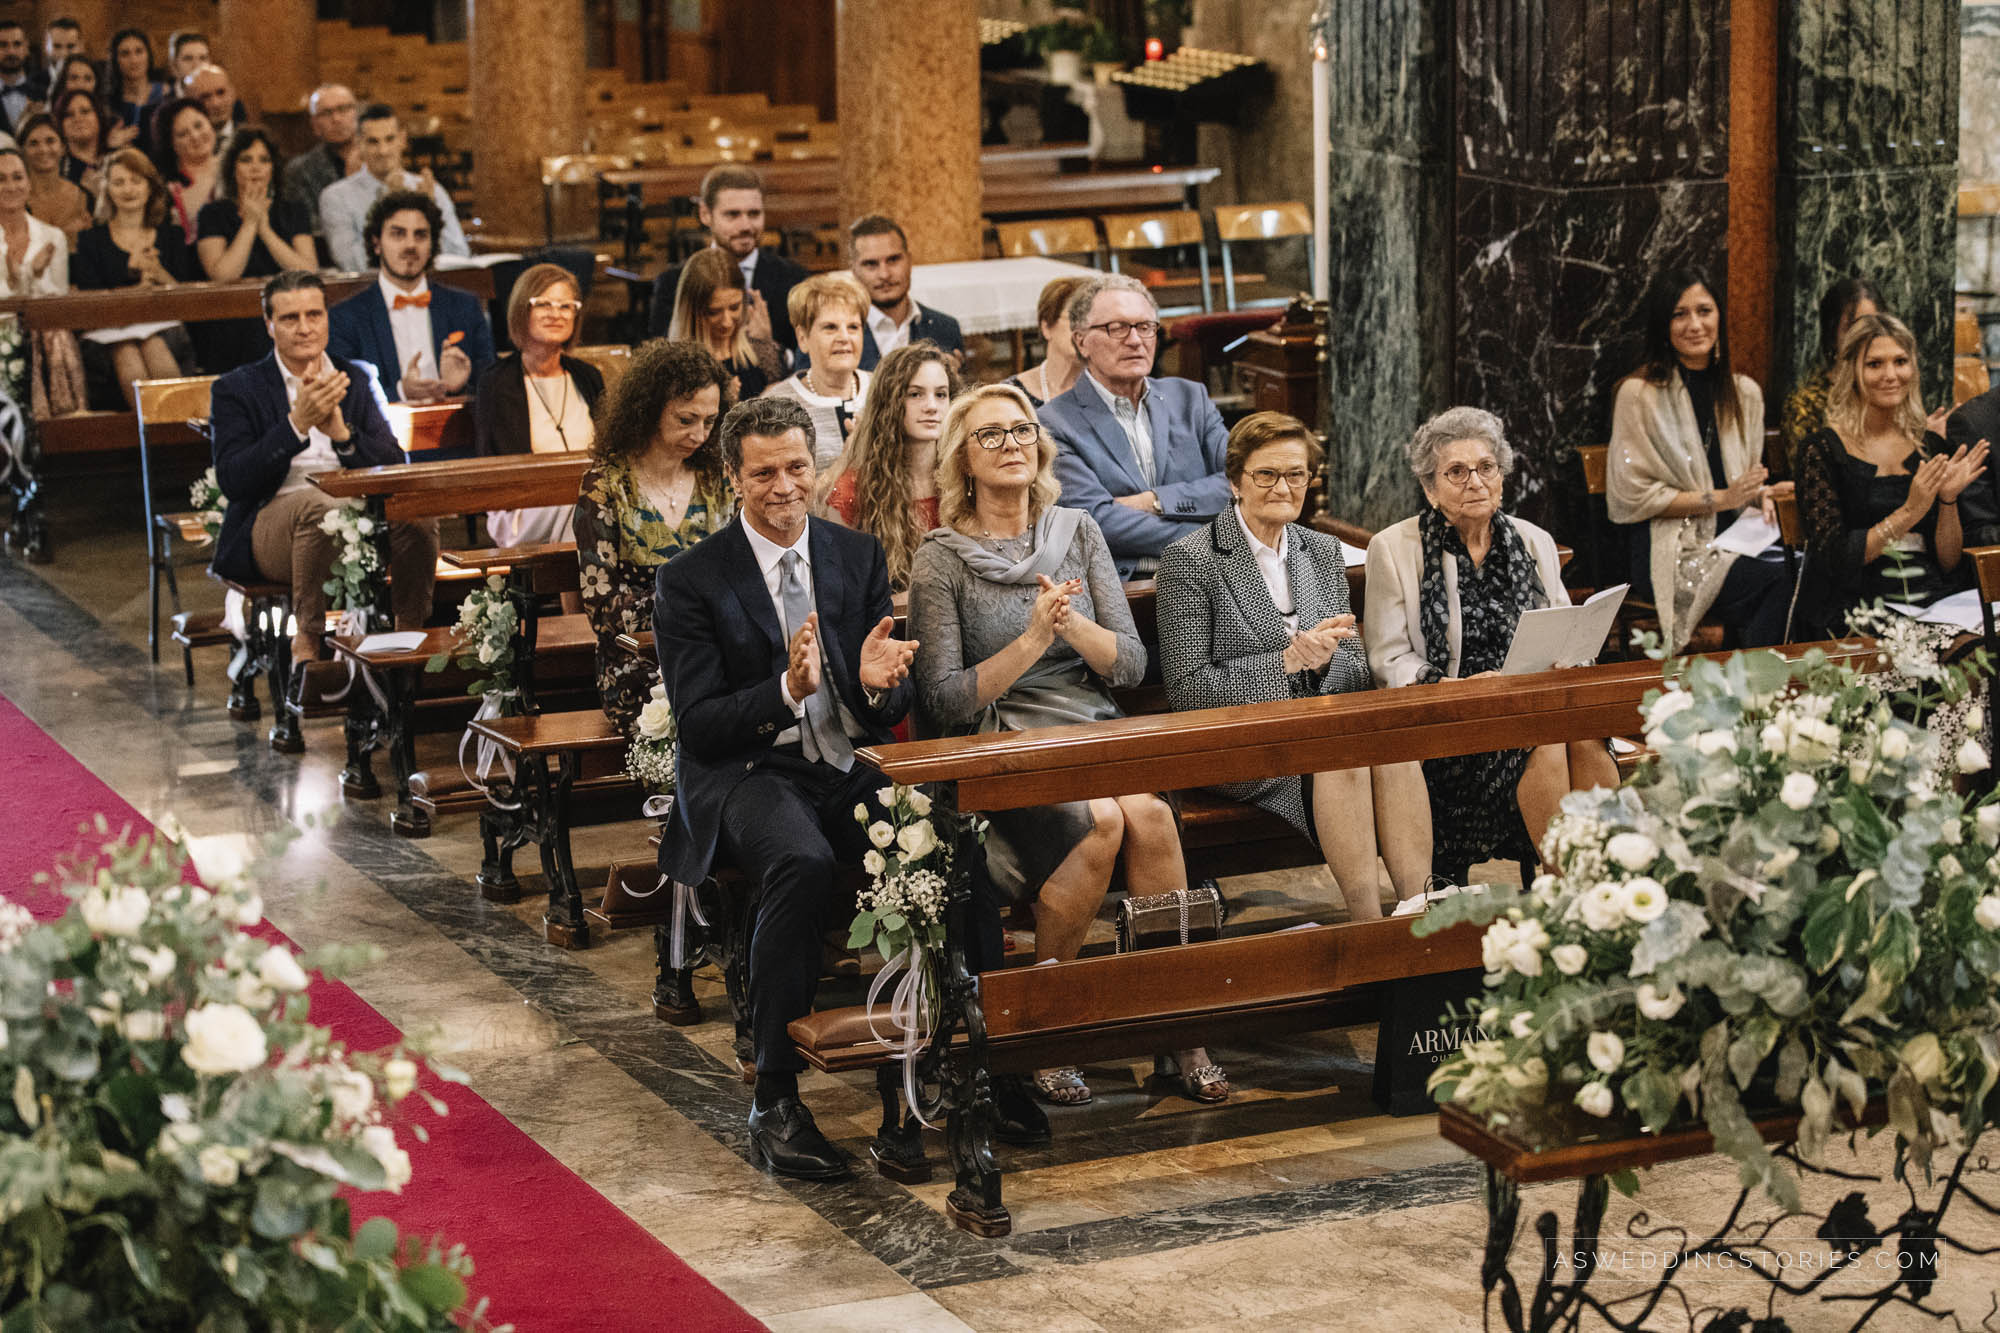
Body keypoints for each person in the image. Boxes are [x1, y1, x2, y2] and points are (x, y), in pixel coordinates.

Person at [906, 382, 1227, 1107]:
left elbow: (1133, 665)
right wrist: (1032, 638)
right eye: (990, 435)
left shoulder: (1077, 530)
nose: (1012, 442)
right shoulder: (942, 559)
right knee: (1103, 820)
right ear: (962, 457)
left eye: (1021, 429)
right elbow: (946, 698)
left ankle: (1178, 1027)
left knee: (1149, 816)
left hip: (1088, 718)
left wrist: (1074, 627)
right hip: (1004, 737)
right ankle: (1044, 1026)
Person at [651, 393, 936, 1180]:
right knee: (802, 862)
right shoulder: (691, 579)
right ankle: (775, 1095)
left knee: (941, 848)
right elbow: (701, 724)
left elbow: (888, 691)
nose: (784, 485)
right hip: (749, 769)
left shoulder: (854, 555)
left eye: (797, 467)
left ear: (818, 467)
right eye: (764, 471)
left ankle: (943, 1060)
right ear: (732, 477)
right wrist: (782, 688)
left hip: (843, 758)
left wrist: (880, 687)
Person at [1158, 411, 1433, 918]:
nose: (1283, 486)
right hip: (1239, 739)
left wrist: (1325, 663)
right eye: (1267, 474)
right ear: (1235, 480)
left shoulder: (1324, 552)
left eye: (1296, 474)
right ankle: (1368, 923)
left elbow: (1354, 669)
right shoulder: (1191, 559)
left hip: (1321, 725)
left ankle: (1416, 909)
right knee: (1340, 751)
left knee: (1392, 746)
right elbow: (1188, 690)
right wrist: (1284, 662)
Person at [1365, 407, 1622, 871]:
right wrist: (1451, 687)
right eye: (1456, 472)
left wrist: (1571, 659)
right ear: (1429, 487)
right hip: (1454, 718)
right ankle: (1566, 882)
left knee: (1583, 737)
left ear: (1502, 476)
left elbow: (1565, 625)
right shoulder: (1394, 547)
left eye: (1486, 468)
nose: (1475, 482)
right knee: (1546, 739)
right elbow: (1387, 656)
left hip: (1534, 703)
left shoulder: (1533, 540)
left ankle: (1595, 882)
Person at [207, 270, 439, 696]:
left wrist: (343, 435)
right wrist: (297, 425)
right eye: (290, 317)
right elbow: (234, 480)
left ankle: (408, 641)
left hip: (357, 515)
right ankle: (307, 643)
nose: (305, 326)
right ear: (269, 325)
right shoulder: (236, 388)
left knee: (417, 516)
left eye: (314, 314)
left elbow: (394, 462)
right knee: (319, 506)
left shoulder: (357, 377)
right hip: (274, 521)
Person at [1606, 267, 1792, 652]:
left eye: (1704, 311)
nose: (1695, 324)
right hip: (1672, 548)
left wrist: (1762, 494)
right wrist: (1723, 499)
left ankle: (1790, 691)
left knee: (1810, 568)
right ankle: (1759, 693)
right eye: (1679, 314)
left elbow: (1740, 485)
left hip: (1739, 539)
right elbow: (1629, 498)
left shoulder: (1744, 393)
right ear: (1663, 324)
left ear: (1719, 317)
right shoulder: (1638, 394)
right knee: (1779, 579)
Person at [575, 341, 737, 731]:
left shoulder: (717, 480)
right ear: (648, 410)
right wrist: (693, 606)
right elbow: (602, 608)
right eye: (686, 419)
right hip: (637, 663)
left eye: (710, 421)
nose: (700, 434)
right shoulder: (606, 483)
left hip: (718, 652)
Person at [1795, 313, 1988, 638]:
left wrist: (1948, 500)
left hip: (1932, 597)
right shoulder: (1822, 451)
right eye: (1874, 364)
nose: (1890, 375)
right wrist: (1909, 512)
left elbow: (1950, 562)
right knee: (1968, 655)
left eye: (1900, 361)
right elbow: (1836, 561)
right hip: (1857, 605)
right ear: (1852, 372)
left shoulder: (1930, 445)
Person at [1041, 274, 1230, 577]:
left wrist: (1155, 501)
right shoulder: (1054, 422)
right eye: (1116, 328)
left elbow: (1239, 481)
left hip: (1212, 574)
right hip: (1128, 586)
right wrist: (1211, 537)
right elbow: (1097, 522)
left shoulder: (1190, 398)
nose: (1135, 340)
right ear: (1081, 341)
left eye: (1145, 327)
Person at [474, 262, 605, 547]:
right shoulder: (497, 383)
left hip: (588, 500)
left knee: (589, 504)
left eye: (566, 306)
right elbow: (495, 468)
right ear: (523, 309)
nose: (555, 314)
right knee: (584, 504)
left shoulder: (588, 377)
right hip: (522, 508)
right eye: (544, 304)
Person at [328, 189, 494, 404]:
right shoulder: (345, 318)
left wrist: (460, 386)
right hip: (382, 432)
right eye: (398, 234)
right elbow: (346, 397)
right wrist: (401, 391)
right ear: (377, 243)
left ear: (432, 244)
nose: (410, 245)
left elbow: (492, 386)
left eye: (420, 235)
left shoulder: (465, 306)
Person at [816, 341, 956, 590]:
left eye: (941, 394)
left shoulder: (964, 478)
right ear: (889, 402)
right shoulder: (853, 490)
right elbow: (843, 592)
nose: (932, 406)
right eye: (915, 394)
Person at [73, 147, 193, 406]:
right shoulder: (90, 240)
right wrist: (134, 283)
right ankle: (150, 439)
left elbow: (187, 294)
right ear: (107, 190)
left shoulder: (171, 236)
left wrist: (157, 271)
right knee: (127, 352)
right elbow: (88, 299)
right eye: (119, 182)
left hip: (162, 325)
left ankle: (178, 433)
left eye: (136, 181)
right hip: (108, 330)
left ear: (150, 187)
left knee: (154, 347)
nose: (128, 189)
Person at [646, 164, 806, 353]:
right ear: (705, 214)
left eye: (754, 214)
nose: (746, 226)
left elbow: (807, 360)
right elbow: (662, 360)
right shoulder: (672, 283)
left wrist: (769, 346)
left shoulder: (795, 280)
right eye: (733, 214)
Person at [195, 127, 316, 372]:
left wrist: (265, 230)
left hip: (287, 314)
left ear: (273, 167)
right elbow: (223, 274)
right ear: (232, 167)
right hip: (232, 319)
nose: (255, 167)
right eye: (246, 159)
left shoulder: (293, 210)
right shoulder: (213, 214)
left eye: (264, 160)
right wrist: (250, 223)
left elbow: (307, 270)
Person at [317, 103, 467, 272]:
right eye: (373, 142)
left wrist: (429, 213)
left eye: (390, 139)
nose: (383, 151)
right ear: (359, 144)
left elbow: (459, 255)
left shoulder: (431, 189)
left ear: (402, 140)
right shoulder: (336, 197)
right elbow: (352, 263)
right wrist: (388, 205)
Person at [0, 145, 83, 416]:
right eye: (1, 179)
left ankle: (60, 423)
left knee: (54, 336)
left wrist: (31, 277)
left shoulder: (52, 237)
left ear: (28, 182)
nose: (10, 186)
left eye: (17, 177)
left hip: (41, 332)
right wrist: (18, 280)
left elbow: (55, 304)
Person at [760, 272, 871, 467]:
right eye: (830, 327)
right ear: (802, 338)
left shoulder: (884, 389)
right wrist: (844, 462)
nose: (844, 337)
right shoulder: (775, 406)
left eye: (853, 327)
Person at [664, 245, 784, 400]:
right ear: (691, 312)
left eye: (734, 307)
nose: (727, 322)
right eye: (713, 312)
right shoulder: (676, 367)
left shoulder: (760, 350)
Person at [848, 213, 962, 371]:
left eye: (893, 260)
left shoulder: (944, 327)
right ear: (854, 270)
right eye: (871, 264)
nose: (884, 274)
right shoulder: (836, 333)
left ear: (909, 261)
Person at [280, 84, 359, 237]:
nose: (336, 119)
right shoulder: (298, 171)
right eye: (327, 113)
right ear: (315, 125)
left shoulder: (377, 159)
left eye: (343, 109)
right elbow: (308, 224)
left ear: (356, 114)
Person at [1005, 274, 1089, 408]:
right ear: (1046, 327)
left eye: (1094, 322)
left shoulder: (1115, 389)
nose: (1085, 330)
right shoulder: (1011, 396)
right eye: (1075, 319)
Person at [151, 96, 217, 242]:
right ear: (171, 144)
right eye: (183, 134)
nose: (195, 136)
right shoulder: (167, 190)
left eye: (199, 125)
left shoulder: (238, 165)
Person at [18, 113, 88, 244]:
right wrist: (64, 234)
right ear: (23, 151)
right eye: (33, 143)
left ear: (63, 147)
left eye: (50, 141)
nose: (43, 149)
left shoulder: (83, 197)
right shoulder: (13, 200)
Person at [108, 28, 168, 147]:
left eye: (139, 51)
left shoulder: (167, 95)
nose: (133, 60)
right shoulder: (108, 104)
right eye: (125, 54)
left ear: (148, 55)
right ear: (116, 60)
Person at [50, 88, 104, 197]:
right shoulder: (56, 170)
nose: (78, 119)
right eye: (69, 115)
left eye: (85, 111)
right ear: (60, 125)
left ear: (98, 117)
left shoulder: (118, 158)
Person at [180, 64, 241, 155]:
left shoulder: (253, 140)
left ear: (232, 94)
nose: (216, 103)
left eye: (221, 93)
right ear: (190, 105)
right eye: (205, 97)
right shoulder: (182, 149)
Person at [31, 17, 81, 101]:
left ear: (80, 47)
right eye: (57, 46)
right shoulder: (33, 84)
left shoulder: (93, 81)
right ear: (45, 47)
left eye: (70, 46)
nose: (64, 53)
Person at [0, 22, 33, 137]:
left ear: (26, 48)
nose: (11, 51)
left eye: (17, 44)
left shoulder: (44, 93)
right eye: (3, 45)